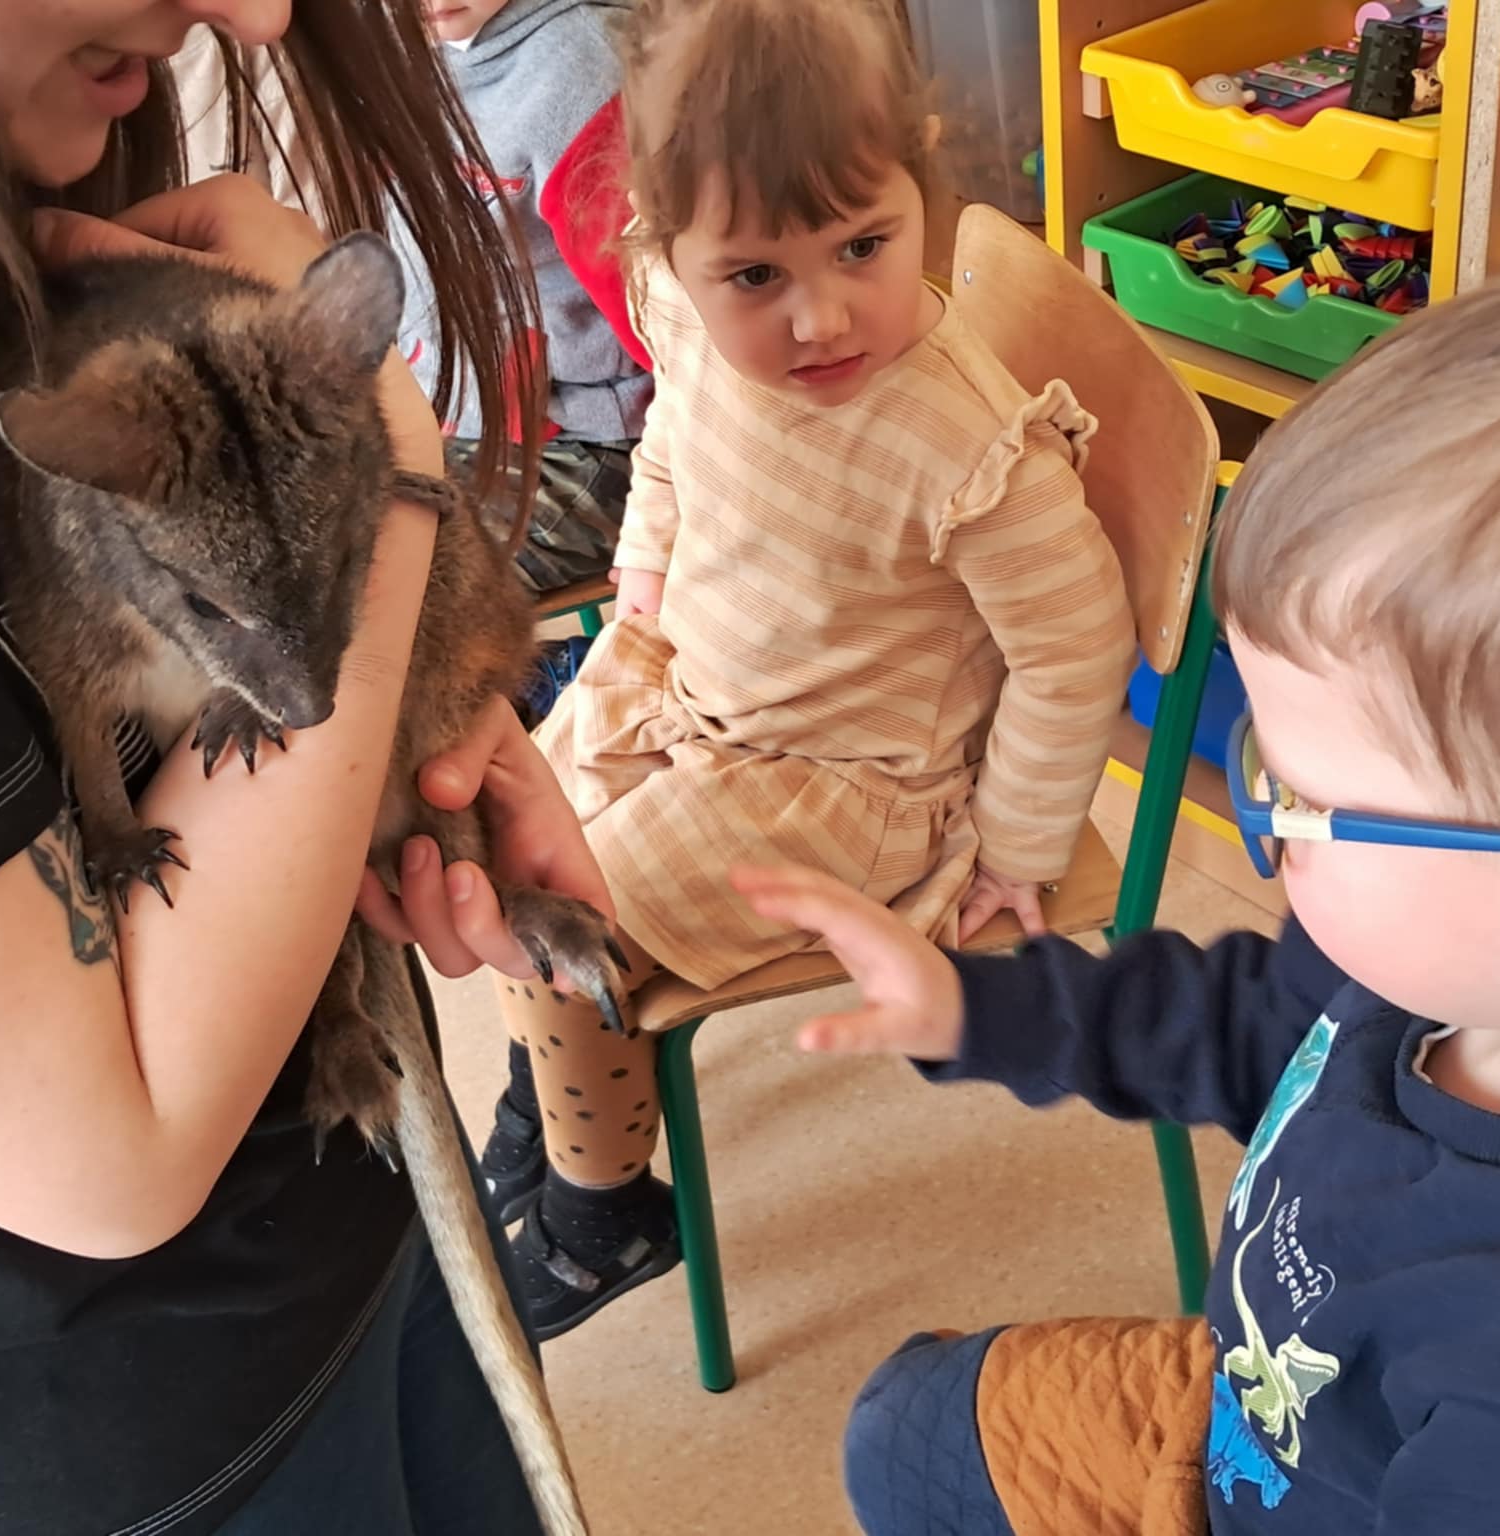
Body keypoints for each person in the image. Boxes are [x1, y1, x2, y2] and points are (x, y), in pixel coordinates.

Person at [0, 4, 608, 1534]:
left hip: (334, 1176)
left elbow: (247, 597)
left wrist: (412, 741)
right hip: (82, 1426)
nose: (255, 18)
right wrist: (381, 432)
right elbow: (107, 1154)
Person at [737, 232, 1500, 1534]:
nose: (1264, 823)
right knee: (911, 1428)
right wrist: (968, 1008)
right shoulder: (1451, 960)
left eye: (1301, 797)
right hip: (1261, 1414)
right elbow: (1257, 1028)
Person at [478, 0, 1137, 1340]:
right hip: (690, 675)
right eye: (754, 278)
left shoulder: (970, 449)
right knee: (505, 844)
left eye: (862, 247)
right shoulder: (679, 307)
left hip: (853, 783)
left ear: (917, 187)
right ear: (666, 250)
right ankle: (556, 1087)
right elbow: (671, 436)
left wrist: (1018, 843)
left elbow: (1075, 649)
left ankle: (604, 1215)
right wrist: (646, 561)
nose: (822, 316)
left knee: (560, 921)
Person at [408, 0, 653, 602]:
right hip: (465, 418)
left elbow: (660, 320)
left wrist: (668, 508)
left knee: (407, 596)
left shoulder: (580, 73)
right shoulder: (415, 55)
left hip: (598, 443)